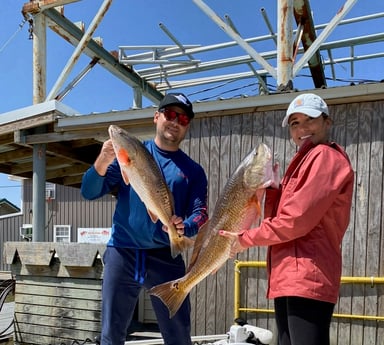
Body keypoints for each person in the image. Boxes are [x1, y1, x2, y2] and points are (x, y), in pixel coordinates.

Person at [220, 93, 354, 345]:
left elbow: (296, 221)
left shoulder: (324, 156)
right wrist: (272, 190)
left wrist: (245, 239)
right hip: (290, 274)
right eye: (294, 123)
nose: (302, 128)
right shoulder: (303, 160)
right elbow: (285, 215)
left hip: (307, 273)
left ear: (327, 122)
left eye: (310, 120)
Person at [81, 92, 208, 345]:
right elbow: (89, 191)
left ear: (188, 126)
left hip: (166, 256)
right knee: (111, 332)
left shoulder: (193, 170)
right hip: (122, 252)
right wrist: (104, 160)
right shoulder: (131, 153)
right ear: (156, 117)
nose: (175, 121)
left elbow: (200, 214)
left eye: (182, 118)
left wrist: (187, 226)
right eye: (170, 114)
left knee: (179, 333)